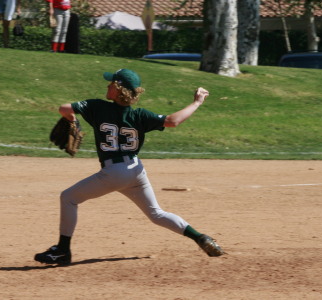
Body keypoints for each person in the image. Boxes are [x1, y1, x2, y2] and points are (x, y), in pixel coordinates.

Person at [34, 69, 224, 265]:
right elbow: (172, 121)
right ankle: (200, 238)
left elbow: (64, 108)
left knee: (68, 198)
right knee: (156, 213)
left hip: (113, 173)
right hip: (136, 171)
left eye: (110, 84)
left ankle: (63, 251)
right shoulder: (140, 115)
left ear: (118, 89)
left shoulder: (97, 107)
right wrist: (197, 102)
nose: (107, 86)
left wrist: (72, 119)